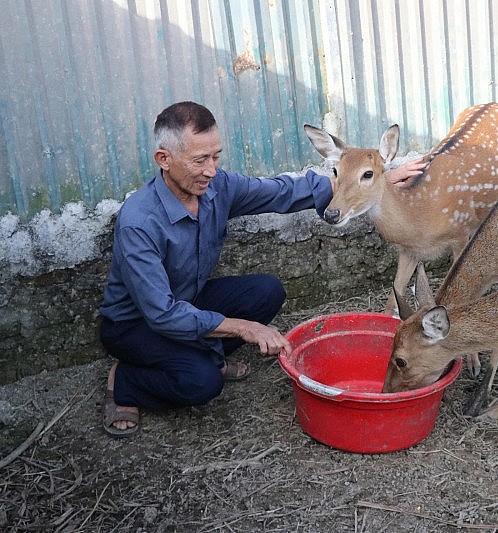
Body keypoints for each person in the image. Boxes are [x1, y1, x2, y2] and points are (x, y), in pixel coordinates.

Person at [99, 101, 424, 437]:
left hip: (187, 300)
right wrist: (245, 328)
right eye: (199, 160)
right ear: (164, 160)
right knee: (202, 382)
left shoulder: (216, 187)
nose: (211, 170)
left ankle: (201, 353)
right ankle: (126, 381)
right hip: (136, 324)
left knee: (266, 291)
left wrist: (375, 182)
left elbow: (278, 192)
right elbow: (161, 314)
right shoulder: (139, 221)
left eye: (216, 157)